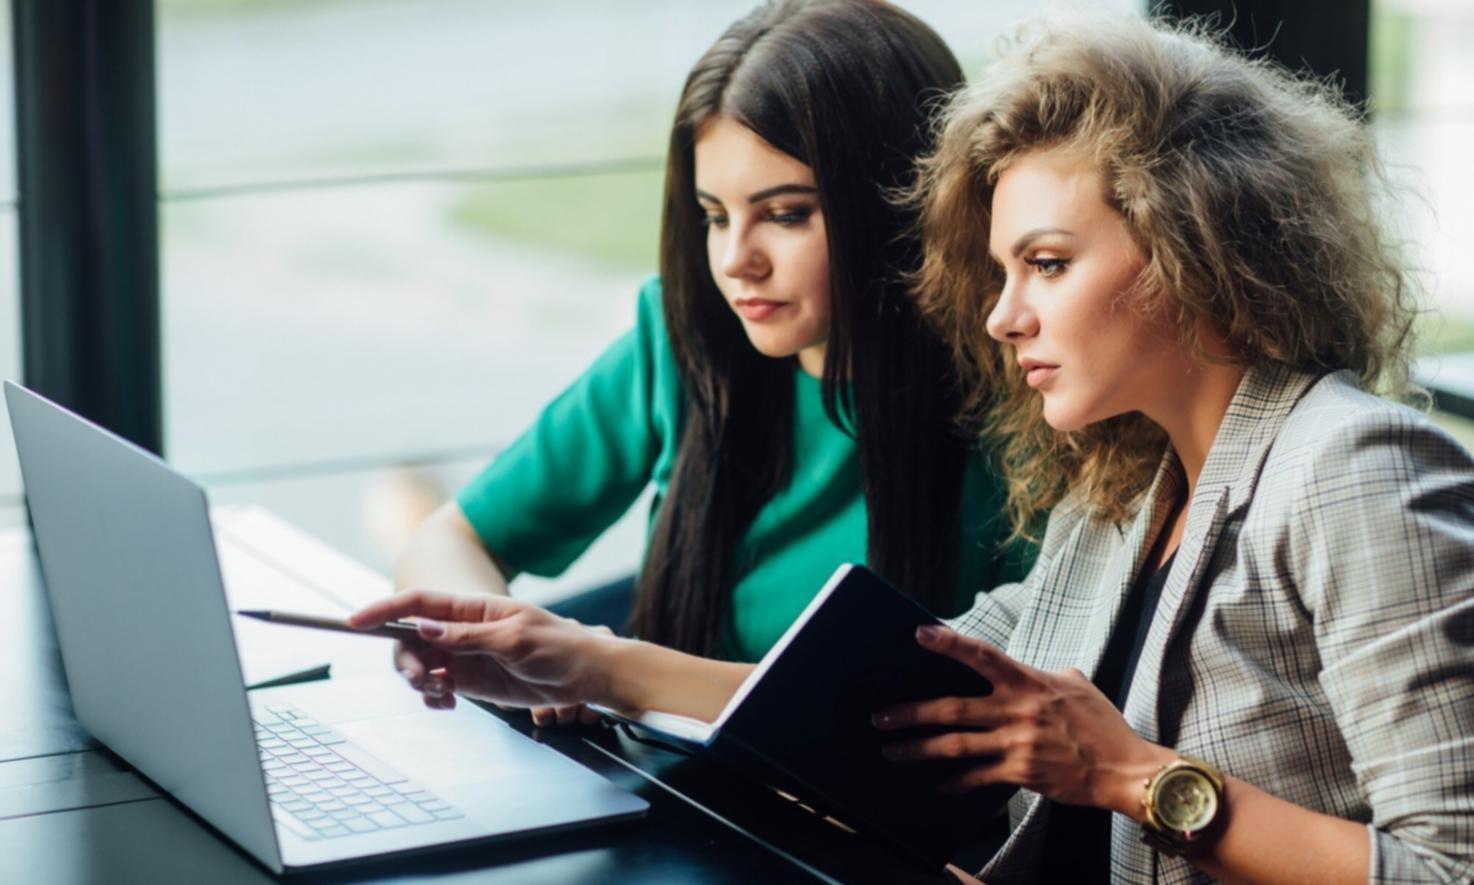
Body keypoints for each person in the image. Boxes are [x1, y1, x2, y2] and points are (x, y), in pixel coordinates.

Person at [355, 13, 1473, 882]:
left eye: (1043, 264)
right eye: (999, 273)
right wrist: (580, 659)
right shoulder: (1116, 497)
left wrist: (1134, 779)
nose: (999, 317)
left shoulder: (1353, 467)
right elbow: (876, 692)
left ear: (1191, 249)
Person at [392, 0, 1031, 727]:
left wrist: (607, 668)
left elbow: (907, 718)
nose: (735, 261)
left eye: (786, 213)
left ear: (903, 197)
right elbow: (452, 540)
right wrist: (529, 656)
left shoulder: (1018, 390)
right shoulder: (685, 333)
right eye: (714, 215)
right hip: (665, 794)